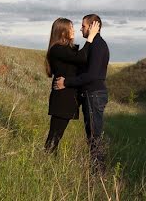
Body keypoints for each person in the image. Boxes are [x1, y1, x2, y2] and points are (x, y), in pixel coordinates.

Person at [55, 14, 110, 173]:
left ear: (93, 26)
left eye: (83, 26)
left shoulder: (98, 46)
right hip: (91, 95)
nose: (80, 28)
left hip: (94, 95)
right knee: (92, 136)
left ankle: (99, 173)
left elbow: (91, 75)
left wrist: (66, 82)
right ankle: (97, 172)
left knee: (94, 136)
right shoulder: (93, 44)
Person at [44, 17, 98, 153]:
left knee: (56, 135)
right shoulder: (57, 49)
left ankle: (47, 161)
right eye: (71, 28)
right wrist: (90, 38)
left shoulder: (66, 49)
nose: (74, 30)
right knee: (55, 136)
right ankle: (44, 161)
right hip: (62, 98)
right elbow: (81, 57)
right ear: (62, 32)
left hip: (66, 97)